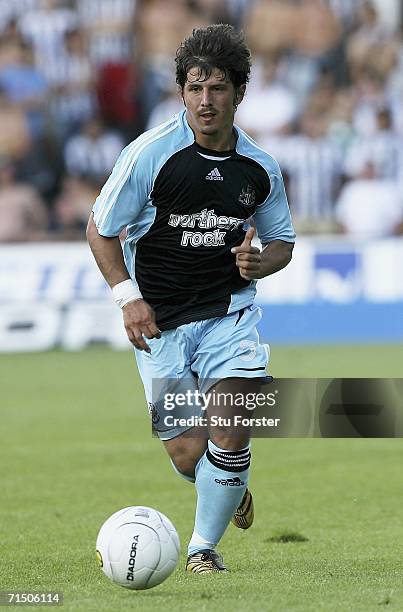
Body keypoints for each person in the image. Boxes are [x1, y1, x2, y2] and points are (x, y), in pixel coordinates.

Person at [87, 24, 295, 573]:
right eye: (196, 87)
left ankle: (203, 550)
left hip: (230, 318)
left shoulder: (260, 169)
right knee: (189, 453)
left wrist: (259, 262)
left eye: (219, 88)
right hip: (160, 325)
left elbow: (283, 244)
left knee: (231, 424)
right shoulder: (150, 156)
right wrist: (127, 299)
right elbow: (100, 229)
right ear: (181, 90)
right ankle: (228, 486)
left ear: (239, 93)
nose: (206, 100)